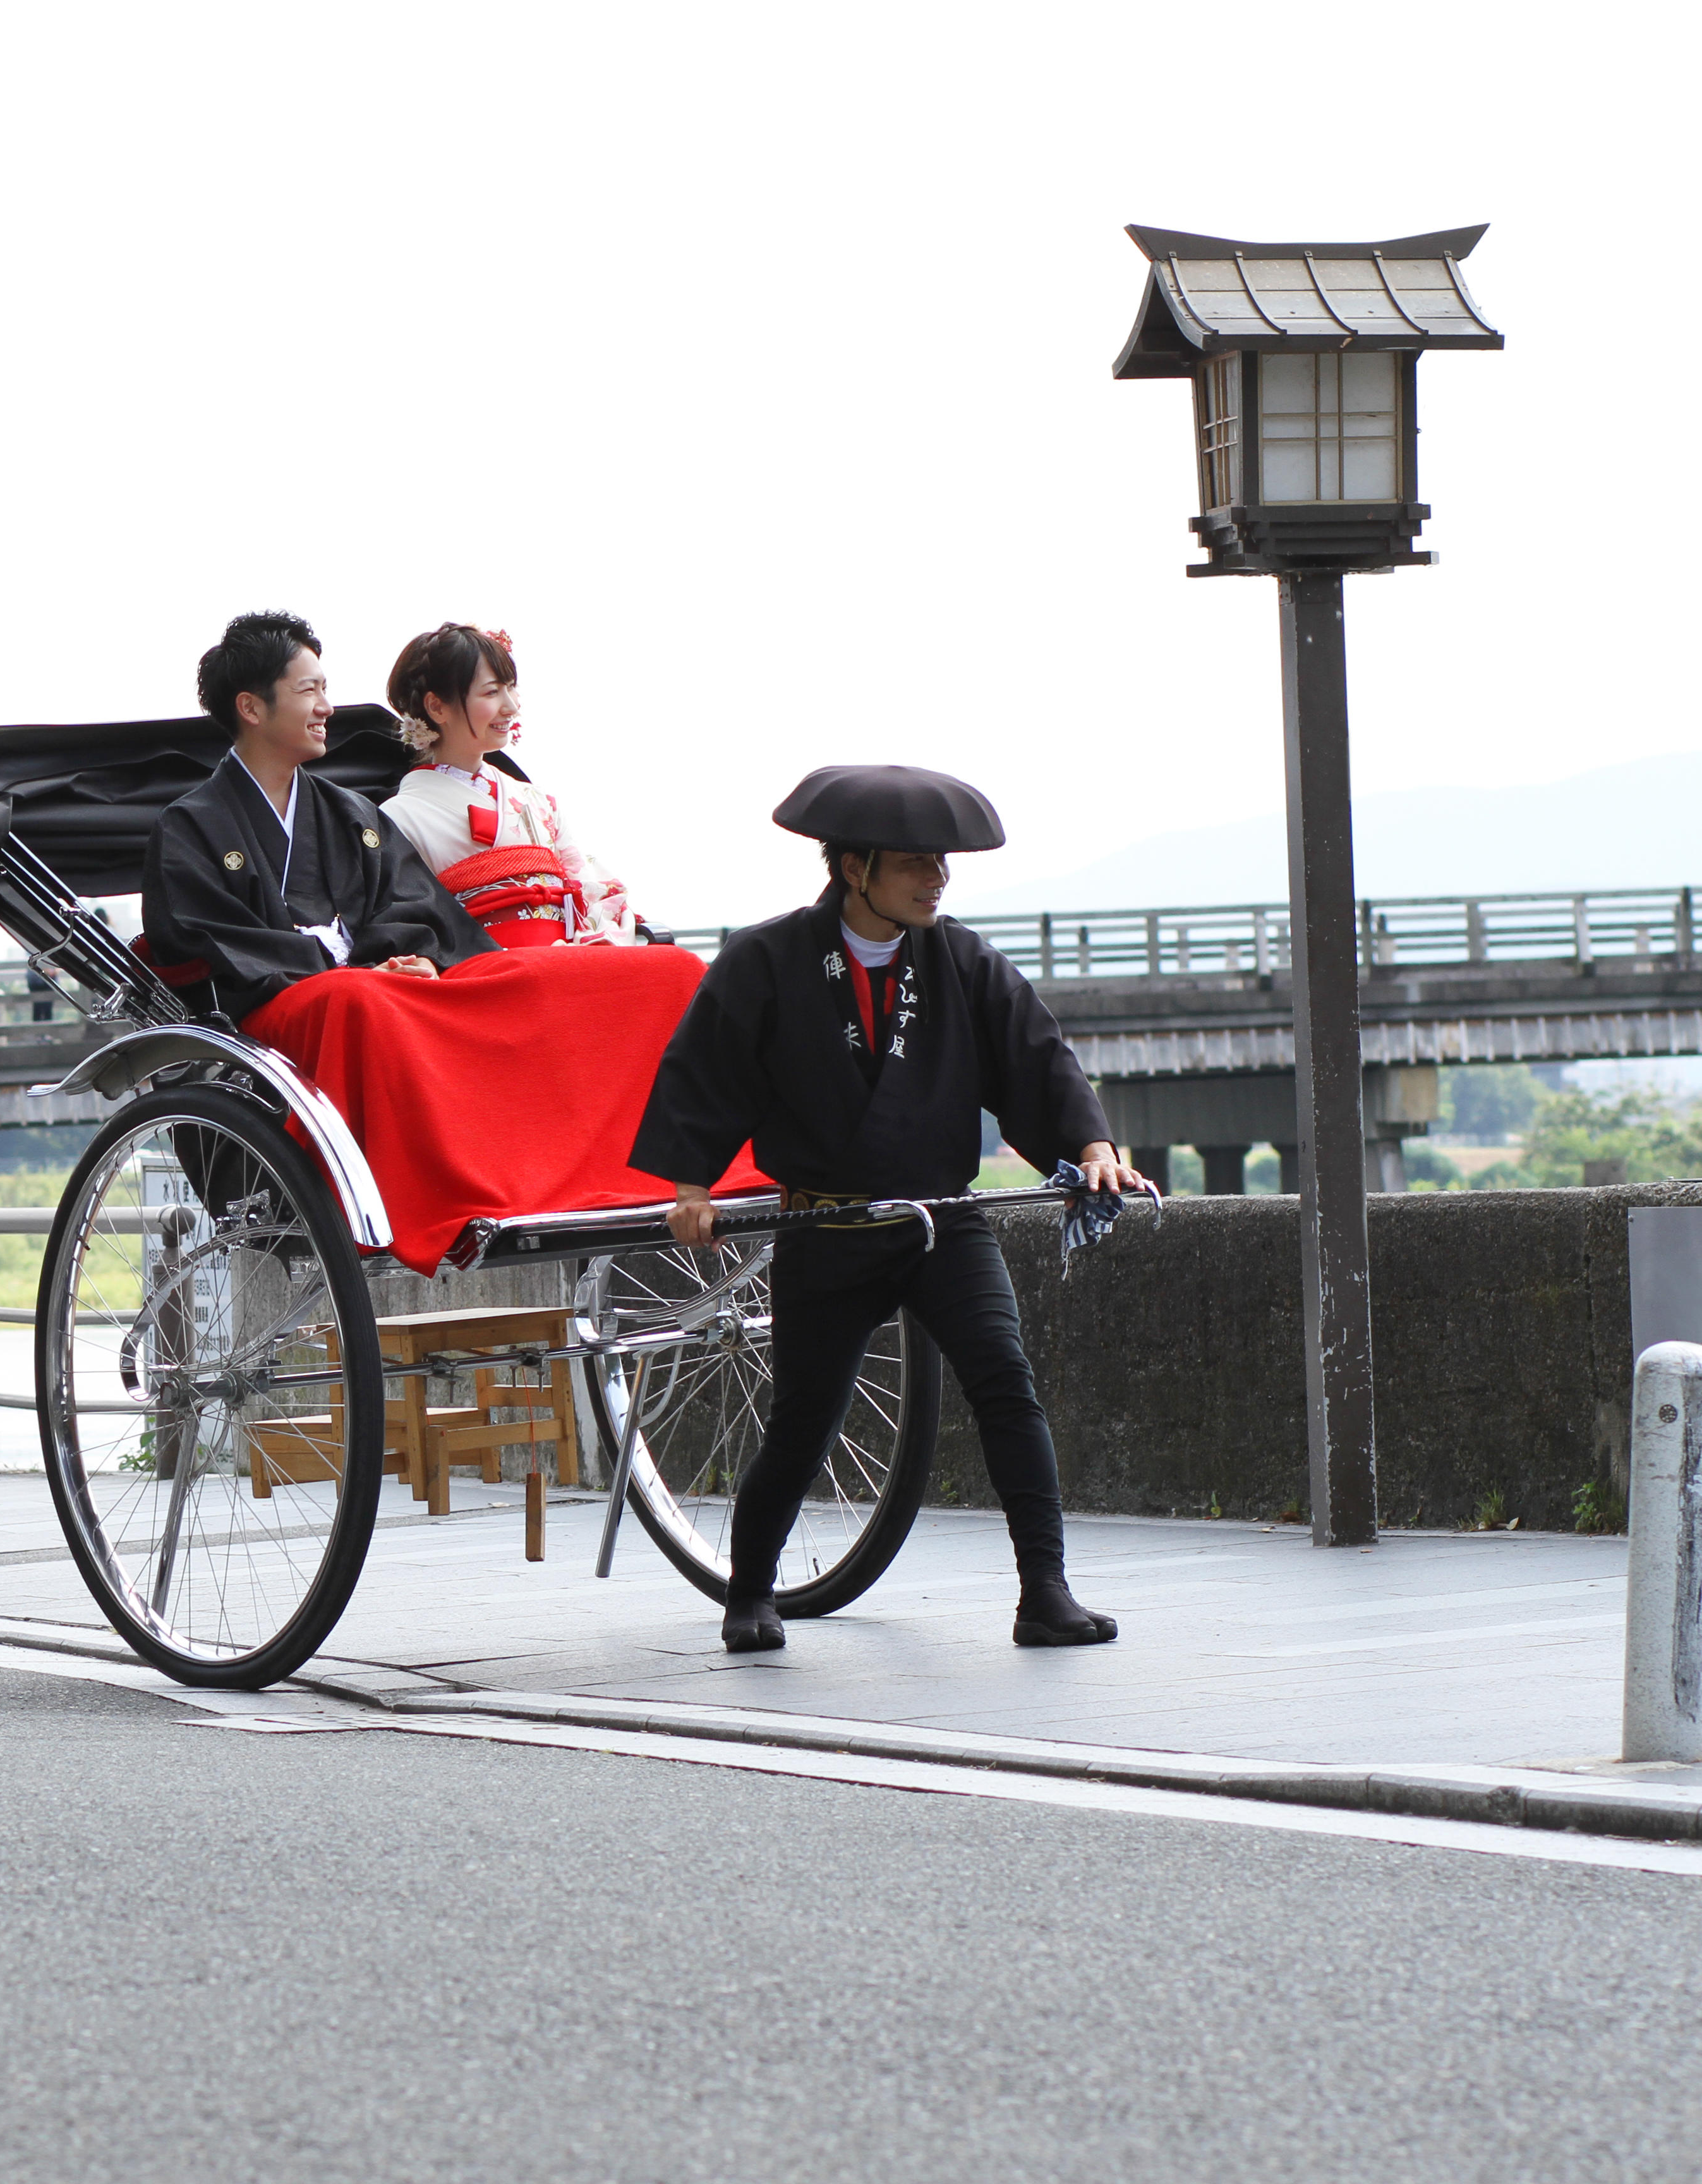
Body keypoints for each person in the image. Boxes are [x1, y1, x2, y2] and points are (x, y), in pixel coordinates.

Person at [628, 764, 1143, 1655]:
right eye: (914, 863)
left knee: (1006, 1387)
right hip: (824, 1227)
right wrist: (690, 1187)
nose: (935, 879)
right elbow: (705, 1070)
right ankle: (750, 1592)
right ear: (853, 868)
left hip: (940, 1224)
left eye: (940, 863)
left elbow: (1035, 1055)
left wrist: (1091, 1148)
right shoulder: (768, 960)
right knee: (804, 1419)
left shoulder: (961, 960)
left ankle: (1044, 1592)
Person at [140, 611, 493, 1023]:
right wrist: (348, 974)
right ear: (251, 708)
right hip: (276, 1017)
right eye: (309, 691)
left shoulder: (352, 814)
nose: (326, 708)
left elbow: (413, 905)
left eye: (325, 690)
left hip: (376, 995)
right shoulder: (189, 829)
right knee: (361, 999)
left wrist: (416, 961)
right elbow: (207, 944)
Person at [378, 624, 643, 948]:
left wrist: (592, 939)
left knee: (678, 968)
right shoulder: (397, 818)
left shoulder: (537, 802)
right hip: (480, 967)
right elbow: (412, 922)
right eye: (492, 692)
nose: (512, 706)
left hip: (568, 955)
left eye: (511, 688)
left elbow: (589, 889)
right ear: (437, 707)